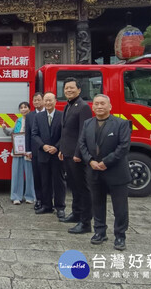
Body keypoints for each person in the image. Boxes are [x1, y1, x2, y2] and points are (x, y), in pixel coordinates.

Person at [78, 94, 131, 251]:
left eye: (103, 104)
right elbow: (82, 144)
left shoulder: (121, 124)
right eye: (96, 104)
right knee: (98, 204)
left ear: (110, 106)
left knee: (120, 207)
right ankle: (100, 232)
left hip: (115, 172)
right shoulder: (88, 123)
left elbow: (123, 147)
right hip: (94, 171)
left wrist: (105, 162)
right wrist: (90, 161)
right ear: (92, 107)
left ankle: (120, 236)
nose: (99, 106)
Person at [58, 77, 93, 234]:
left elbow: (83, 133)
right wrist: (61, 149)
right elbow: (66, 132)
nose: (68, 90)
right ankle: (76, 214)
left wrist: (79, 153)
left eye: (72, 88)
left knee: (82, 189)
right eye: (66, 88)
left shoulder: (83, 107)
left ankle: (85, 223)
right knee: (73, 187)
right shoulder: (69, 106)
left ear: (79, 90)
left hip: (76, 156)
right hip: (67, 153)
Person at [31, 92, 66, 218]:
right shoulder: (38, 117)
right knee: (44, 181)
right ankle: (47, 206)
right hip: (43, 153)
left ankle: (60, 207)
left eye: (50, 100)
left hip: (57, 154)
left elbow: (65, 135)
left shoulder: (62, 116)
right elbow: (34, 134)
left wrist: (56, 147)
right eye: (46, 100)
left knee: (59, 182)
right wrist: (43, 146)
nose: (48, 103)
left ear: (55, 101)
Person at [3, 101, 35, 205]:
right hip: (17, 151)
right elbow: (12, 133)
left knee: (30, 174)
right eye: (21, 108)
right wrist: (4, 129)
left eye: (25, 107)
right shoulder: (18, 121)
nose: (23, 109)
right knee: (16, 173)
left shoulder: (33, 119)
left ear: (29, 109)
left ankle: (30, 196)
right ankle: (16, 196)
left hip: (28, 151)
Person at [25, 92, 45, 211]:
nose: (36, 102)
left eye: (38, 100)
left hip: (48, 151)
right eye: (35, 100)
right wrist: (28, 150)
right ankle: (39, 200)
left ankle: (48, 199)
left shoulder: (49, 114)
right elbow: (28, 134)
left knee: (48, 177)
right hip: (35, 151)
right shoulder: (30, 116)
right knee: (37, 177)